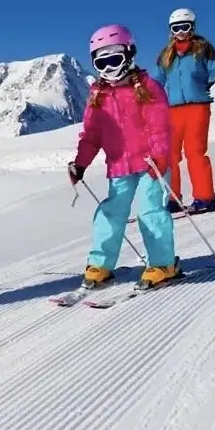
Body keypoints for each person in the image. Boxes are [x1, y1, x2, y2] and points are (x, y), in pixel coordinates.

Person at [68, 24, 178, 289]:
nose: (108, 68)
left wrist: (160, 156)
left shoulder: (148, 87)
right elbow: (91, 135)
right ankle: (101, 265)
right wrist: (81, 162)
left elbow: (159, 126)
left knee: (149, 210)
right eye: (101, 62)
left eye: (114, 59)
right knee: (110, 213)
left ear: (129, 54)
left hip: (151, 163)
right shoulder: (98, 96)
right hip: (119, 167)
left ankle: (164, 264)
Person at [152, 8, 215, 214]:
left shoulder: (203, 48)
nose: (181, 32)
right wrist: (149, 94)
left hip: (198, 106)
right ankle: (173, 198)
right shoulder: (166, 54)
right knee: (170, 154)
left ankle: (205, 197)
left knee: (195, 151)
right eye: (176, 28)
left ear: (192, 27)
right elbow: (157, 80)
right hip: (172, 110)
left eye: (184, 27)